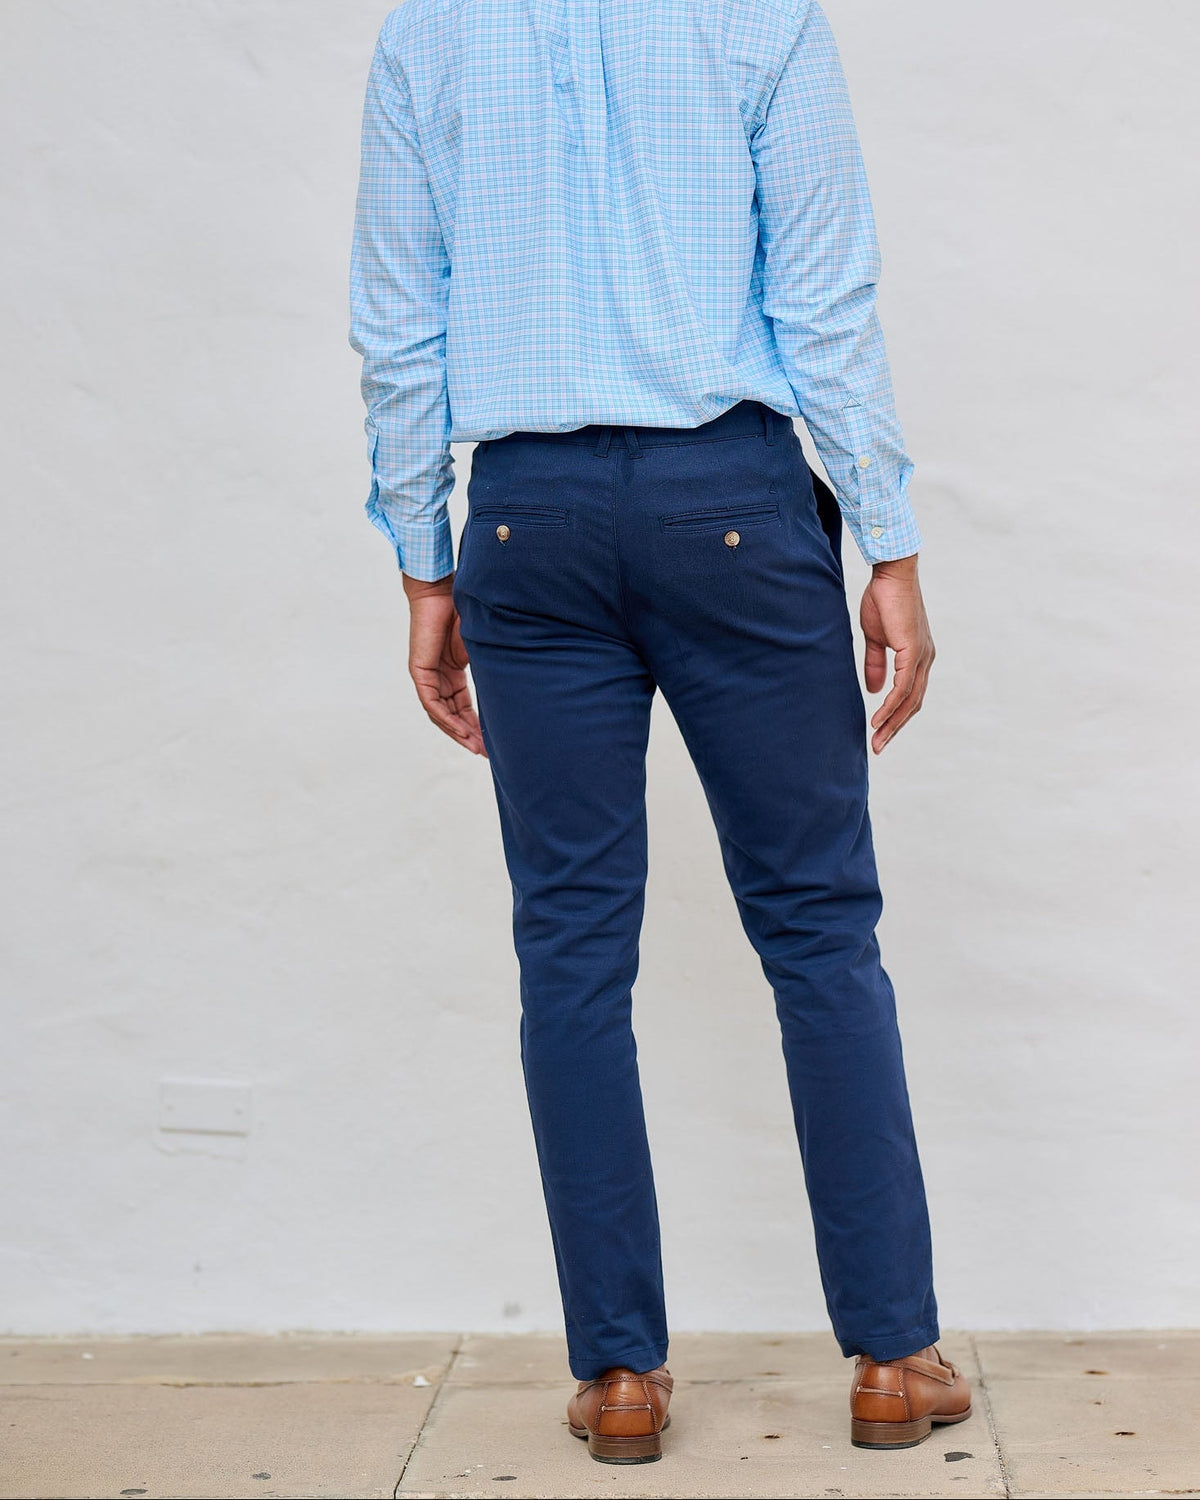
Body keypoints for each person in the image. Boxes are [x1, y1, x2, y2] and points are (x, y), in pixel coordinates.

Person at [348, 0, 971, 1462]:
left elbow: (399, 321)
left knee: (570, 944)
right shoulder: (763, 17)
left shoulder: (432, 32)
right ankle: (893, 1357)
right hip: (732, 507)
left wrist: (426, 564)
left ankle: (620, 1375)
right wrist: (888, 540)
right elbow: (824, 298)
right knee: (818, 927)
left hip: (527, 520)